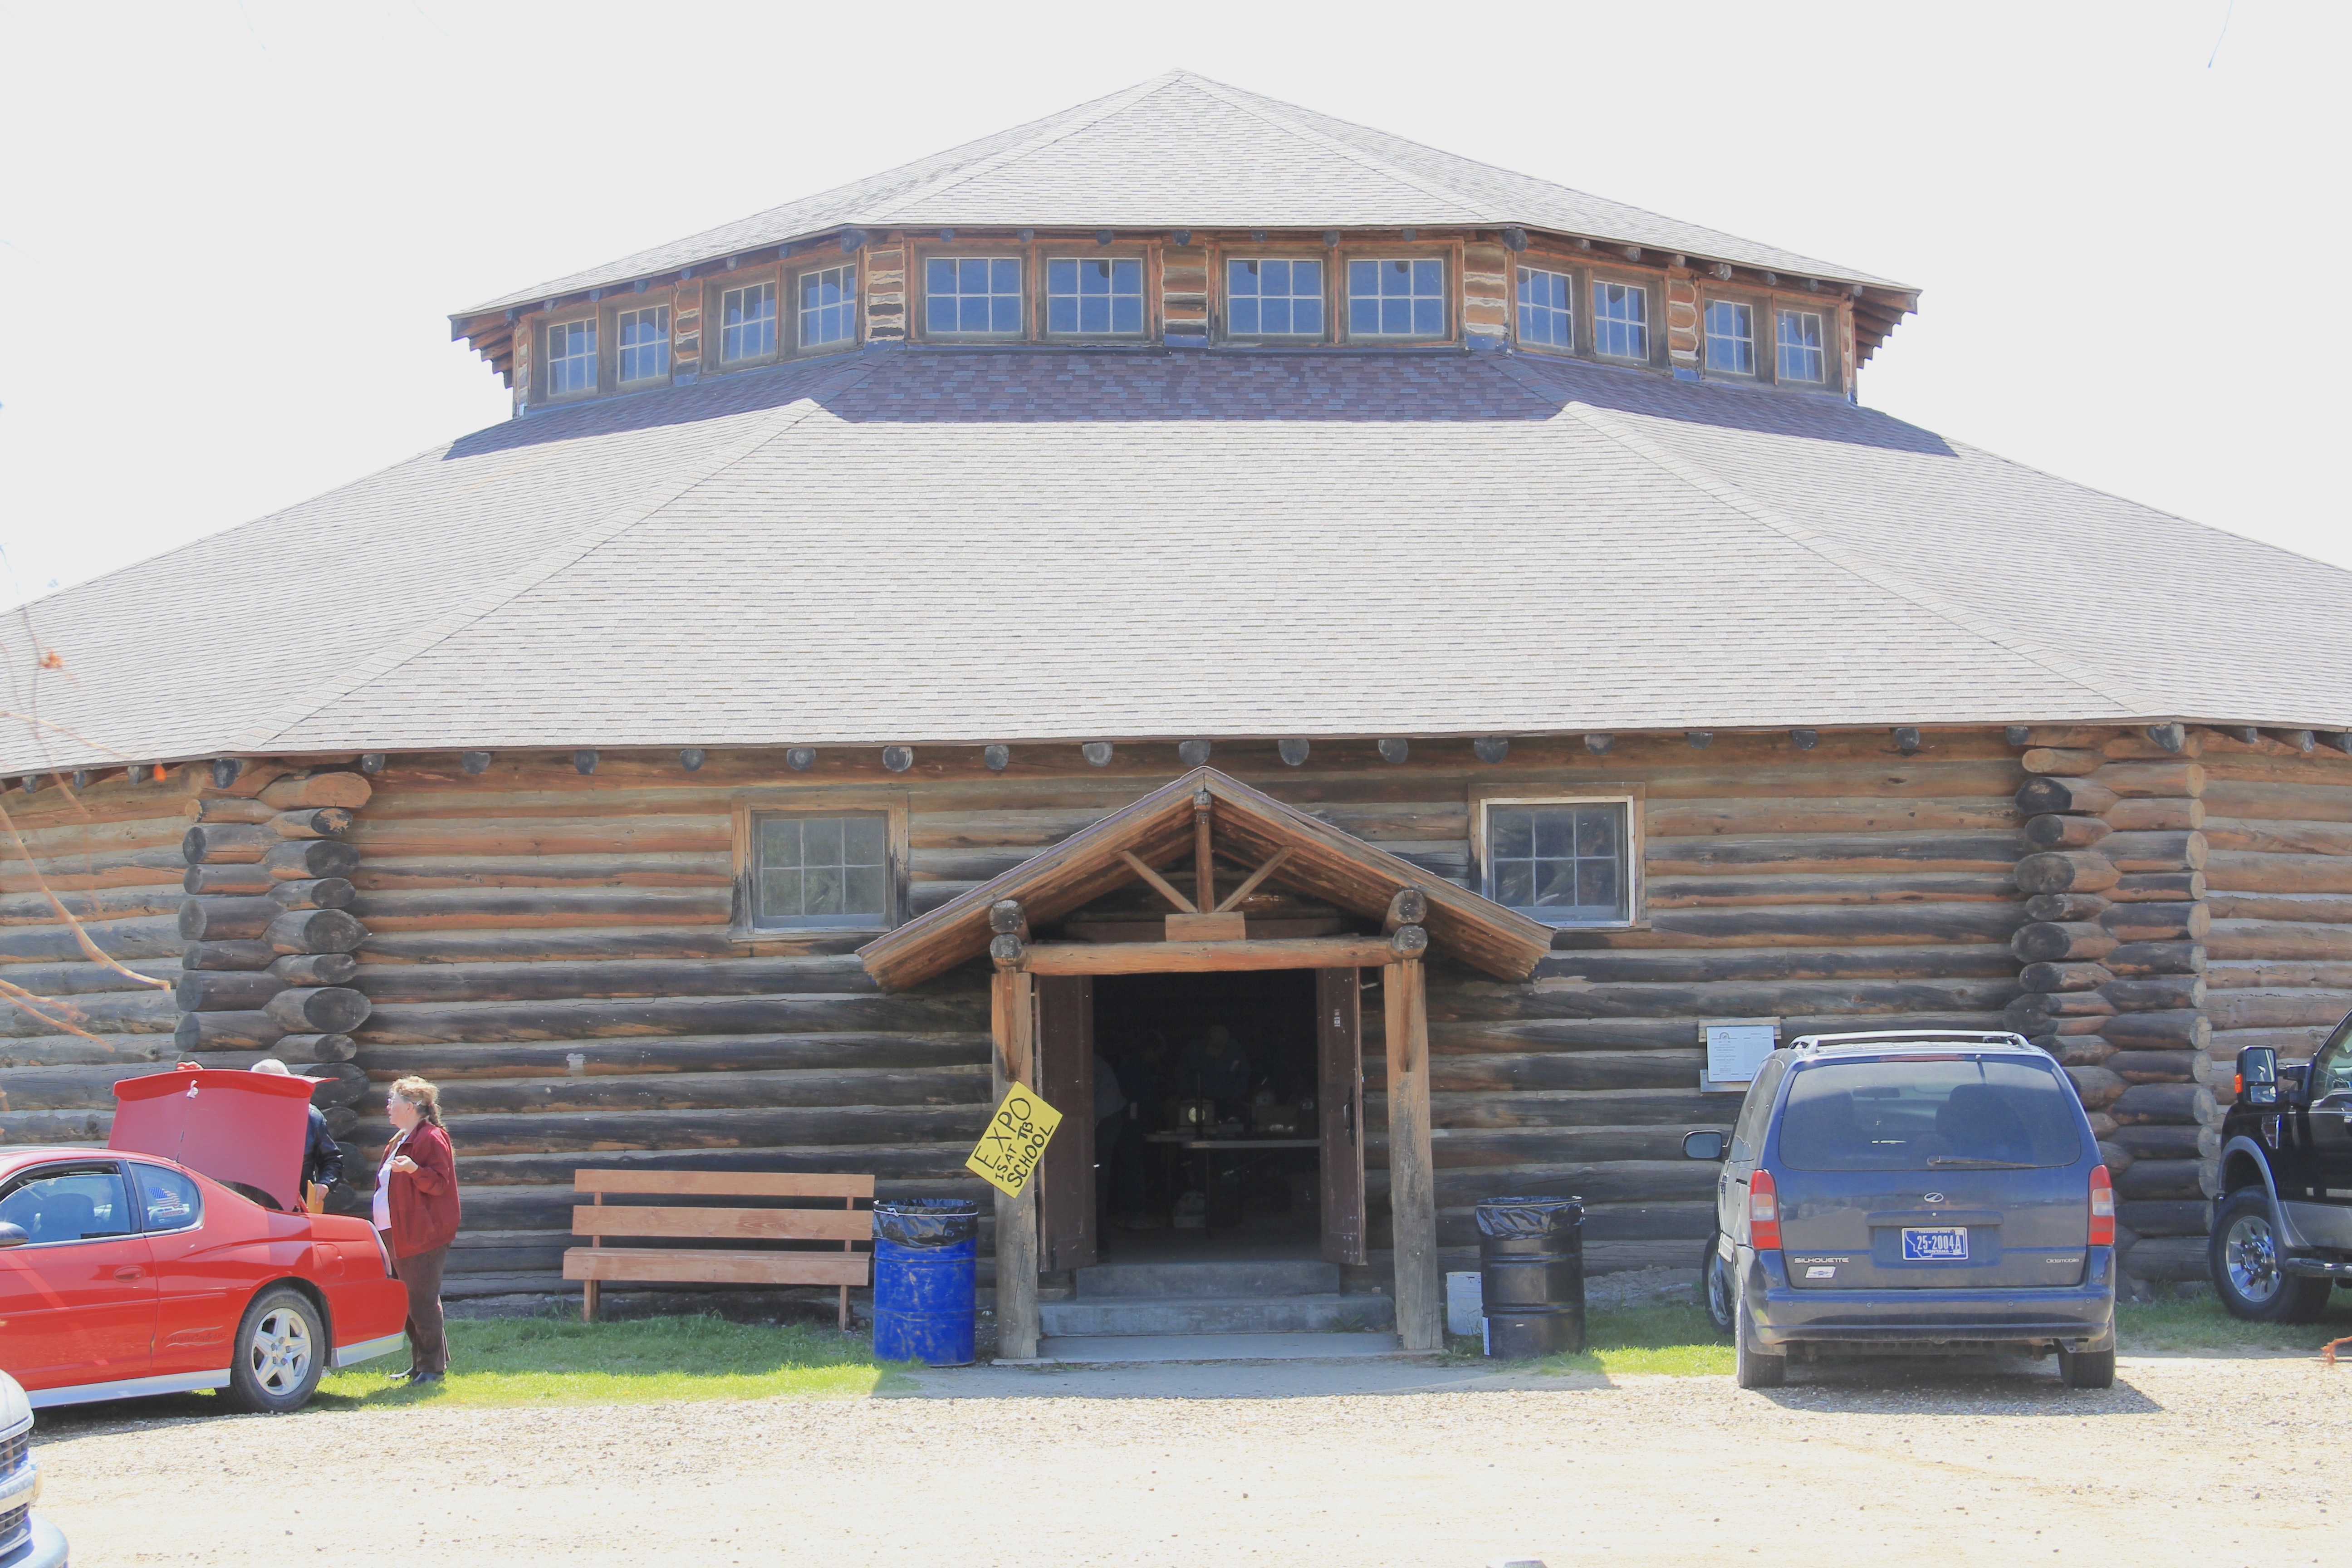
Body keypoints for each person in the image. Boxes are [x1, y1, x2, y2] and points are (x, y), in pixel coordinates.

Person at [375, 1076, 460, 1385]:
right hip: (396, 1231)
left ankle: (432, 1369)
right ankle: (421, 1364)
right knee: (407, 1299)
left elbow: (439, 1183)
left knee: (421, 1299)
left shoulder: (431, 1137)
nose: (388, 1107)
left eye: (393, 1103)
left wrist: (413, 1169)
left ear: (410, 1108)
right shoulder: (400, 1138)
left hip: (421, 1232)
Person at [250, 1058, 343, 1211]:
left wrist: (325, 1183)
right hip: (251, 1209)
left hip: (299, 1211)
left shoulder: (311, 1117)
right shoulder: (244, 1116)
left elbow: (332, 1160)